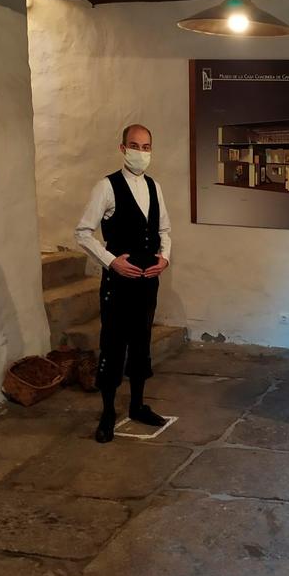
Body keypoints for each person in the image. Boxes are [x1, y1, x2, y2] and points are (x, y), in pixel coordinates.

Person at [76, 124, 172, 443]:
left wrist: (165, 258)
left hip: (147, 281)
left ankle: (137, 405)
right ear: (122, 148)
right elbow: (83, 233)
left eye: (146, 147)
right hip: (118, 281)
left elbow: (164, 231)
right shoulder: (106, 186)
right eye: (135, 145)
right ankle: (107, 412)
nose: (141, 152)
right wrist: (112, 261)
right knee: (114, 342)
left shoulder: (155, 187)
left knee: (142, 340)